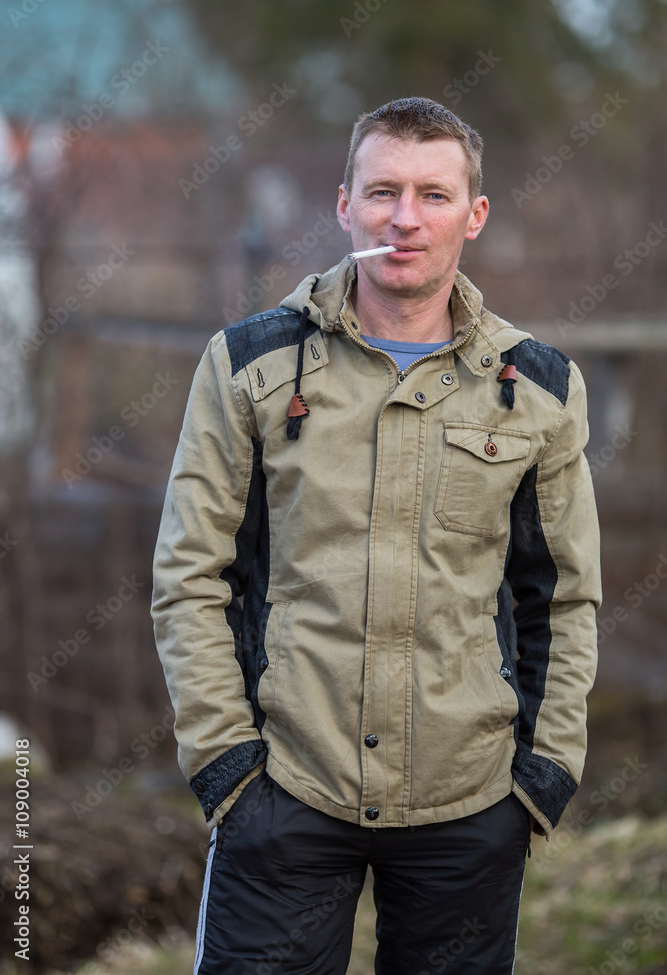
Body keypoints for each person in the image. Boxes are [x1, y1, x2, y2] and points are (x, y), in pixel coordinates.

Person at [151, 96, 601, 975]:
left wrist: (540, 778)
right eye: (382, 191)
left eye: (433, 195)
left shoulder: (538, 388)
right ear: (343, 205)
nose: (405, 218)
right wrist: (227, 769)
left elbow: (564, 594)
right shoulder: (250, 365)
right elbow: (190, 575)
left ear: (473, 214)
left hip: (469, 805)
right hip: (283, 793)